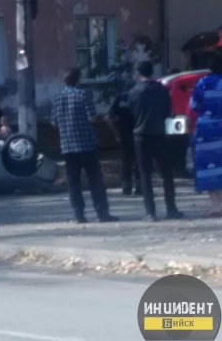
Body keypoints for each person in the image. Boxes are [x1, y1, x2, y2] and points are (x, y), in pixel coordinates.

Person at [51, 68, 118, 223]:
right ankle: (102, 213)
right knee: (95, 180)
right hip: (86, 144)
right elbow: (91, 118)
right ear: (78, 79)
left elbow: (53, 122)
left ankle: (78, 215)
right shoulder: (83, 94)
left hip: (68, 146)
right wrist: (101, 118)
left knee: (73, 182)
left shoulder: (58, 97)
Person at [128, 61, 184, 222]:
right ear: (152, 72)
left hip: (140, 135)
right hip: (159, 134)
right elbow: (168, 111)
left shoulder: (133, 92)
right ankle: (171, 208)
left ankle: (150, 212)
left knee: (145, 174)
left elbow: (132, 112)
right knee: (167, 173)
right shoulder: (162, 90)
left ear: (138, 73)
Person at [189, 53, 222, 218]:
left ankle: (217, 205)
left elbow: (194, 106)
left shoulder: (203, 83)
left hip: (207, 130)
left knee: (209, 167)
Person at [106, 79, 142, 196]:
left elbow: (108, 117)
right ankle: (139, 187)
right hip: (138, 133)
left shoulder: (120, 98)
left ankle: (126, 188)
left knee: (126, 161)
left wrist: (115, 132)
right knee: (139, 160)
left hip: (124, 134)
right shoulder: (138, 97)